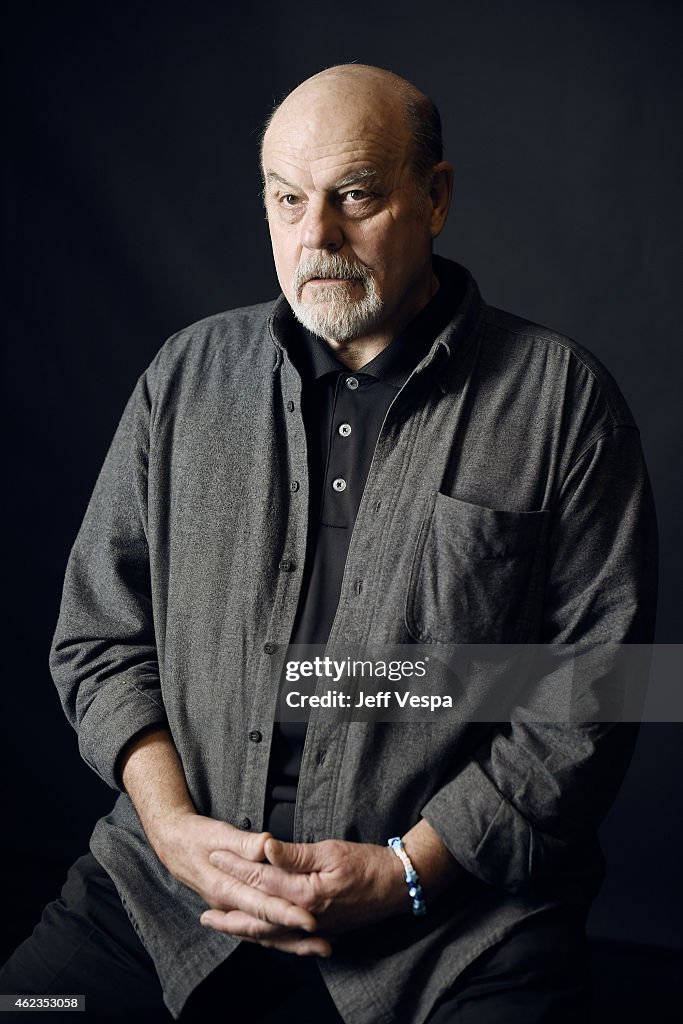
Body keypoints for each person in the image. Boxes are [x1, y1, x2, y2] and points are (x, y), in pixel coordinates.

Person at [1, 64, 657, 1023]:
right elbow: (98, 638)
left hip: (459, 927)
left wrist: (405, 874)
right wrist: (174, 831)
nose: (317, 236)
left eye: (354, 195)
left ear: (433, 197)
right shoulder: (183, 379)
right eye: (288, 200)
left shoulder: (563, 403)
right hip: (167, 894)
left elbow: (603, 690)